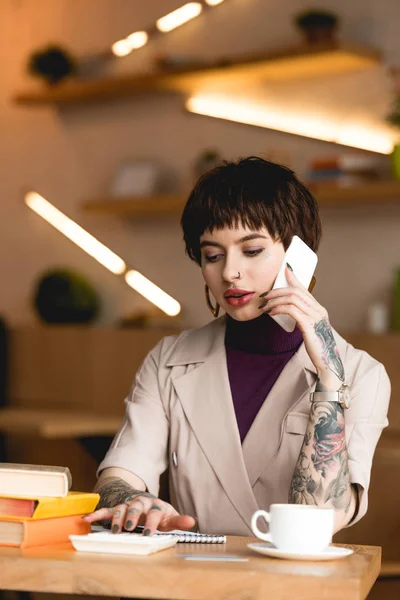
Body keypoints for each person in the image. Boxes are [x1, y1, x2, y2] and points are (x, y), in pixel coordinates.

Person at [84, 156, 390, 537]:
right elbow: (119, 474)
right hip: (183, 583)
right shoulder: (168, 361)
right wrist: (129, 499)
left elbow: (321, 518)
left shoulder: (361, 374)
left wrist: (329, 380)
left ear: (300, 257)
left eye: (252, 250)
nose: (229, 272)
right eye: (212, 255)